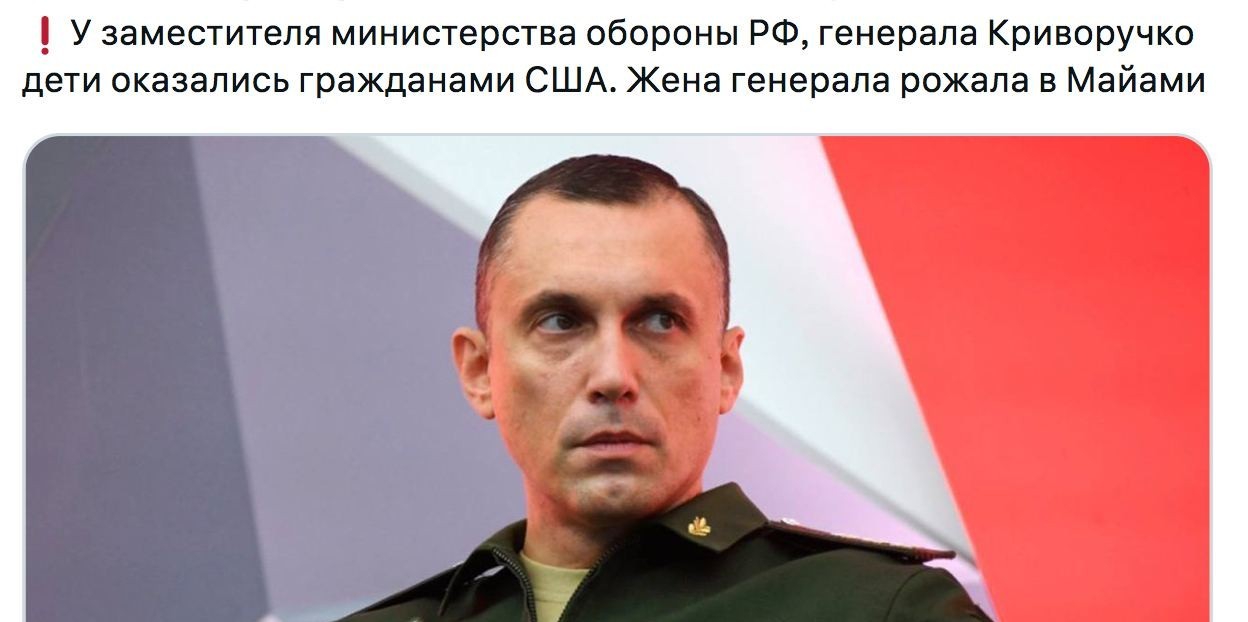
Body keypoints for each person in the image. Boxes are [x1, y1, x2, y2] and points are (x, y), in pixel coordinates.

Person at [338, 155, 992, 622]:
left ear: (725, 370)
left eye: (659, 321)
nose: (613, 376)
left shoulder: (881, 610)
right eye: (561, 322)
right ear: (481, 372)